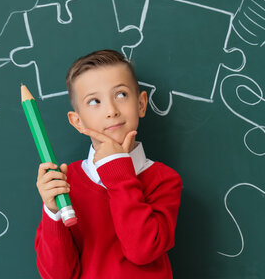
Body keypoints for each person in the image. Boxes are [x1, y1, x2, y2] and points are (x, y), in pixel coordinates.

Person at [35, 49, 182, 278]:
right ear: (77, 121)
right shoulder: (67, 182)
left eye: (121, 95)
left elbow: (142, 251)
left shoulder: (164, 180)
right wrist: (52, 212)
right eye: (94, 101)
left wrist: (118, 170)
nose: (111, 111)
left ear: (141, 104)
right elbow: (58, 275)